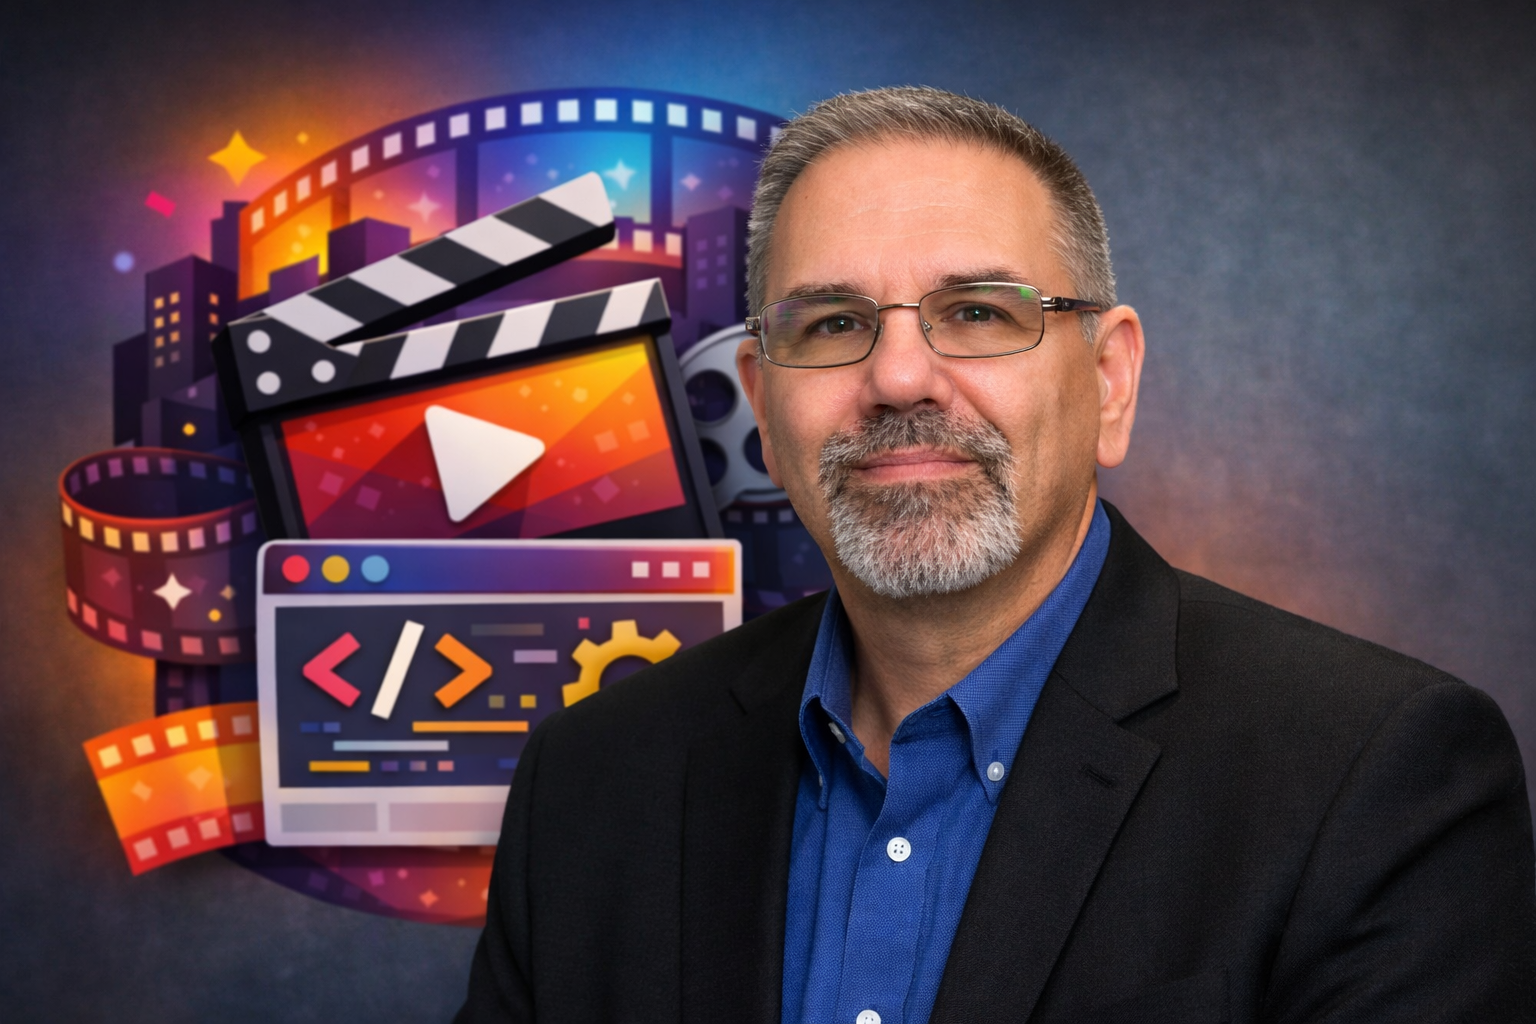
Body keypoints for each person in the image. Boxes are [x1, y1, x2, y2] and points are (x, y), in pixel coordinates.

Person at [457, 86, 1535, 1023]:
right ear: (761, 411)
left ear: (1108, 381)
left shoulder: (1373, 777)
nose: (899, 378)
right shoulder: (596, 783)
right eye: (833, 324)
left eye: (976, 311)